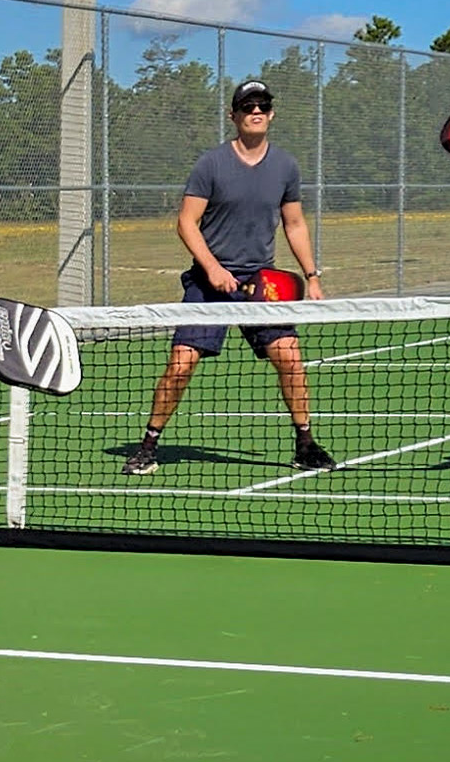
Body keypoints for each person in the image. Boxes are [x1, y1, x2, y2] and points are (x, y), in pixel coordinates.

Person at [122, 80, 335, 477]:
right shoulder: (211, 164)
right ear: (234, 115)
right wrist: (213, 268)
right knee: (182, 363)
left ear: (271, 114)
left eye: (262, 106)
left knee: (289, 357)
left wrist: (312, 275)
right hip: (209, 283)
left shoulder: (286, 166)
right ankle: (148, 446)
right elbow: (187, 222)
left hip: (262, 284)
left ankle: (305, 444)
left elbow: (294, 223)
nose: (255, 111)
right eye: (247, 106)